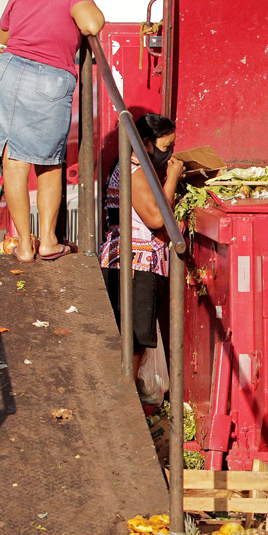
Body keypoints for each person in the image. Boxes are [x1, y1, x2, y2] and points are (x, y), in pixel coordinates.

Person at [0, 0, 104, 261]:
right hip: (47, 77)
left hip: (6, 74)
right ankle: (47, 241)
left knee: (13, 161)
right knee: (48, 163)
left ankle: (23, 244)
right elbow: (92, 24)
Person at [98, 114, 184, 382]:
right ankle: (126, 402)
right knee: (133, 343)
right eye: (165, 146)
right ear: (146, 143)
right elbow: (157, 218)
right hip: (134, 265)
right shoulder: (133, 171)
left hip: (135, 263)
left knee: (134, 341)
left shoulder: (136, 168)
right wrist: (172, 178)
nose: (169, 153)